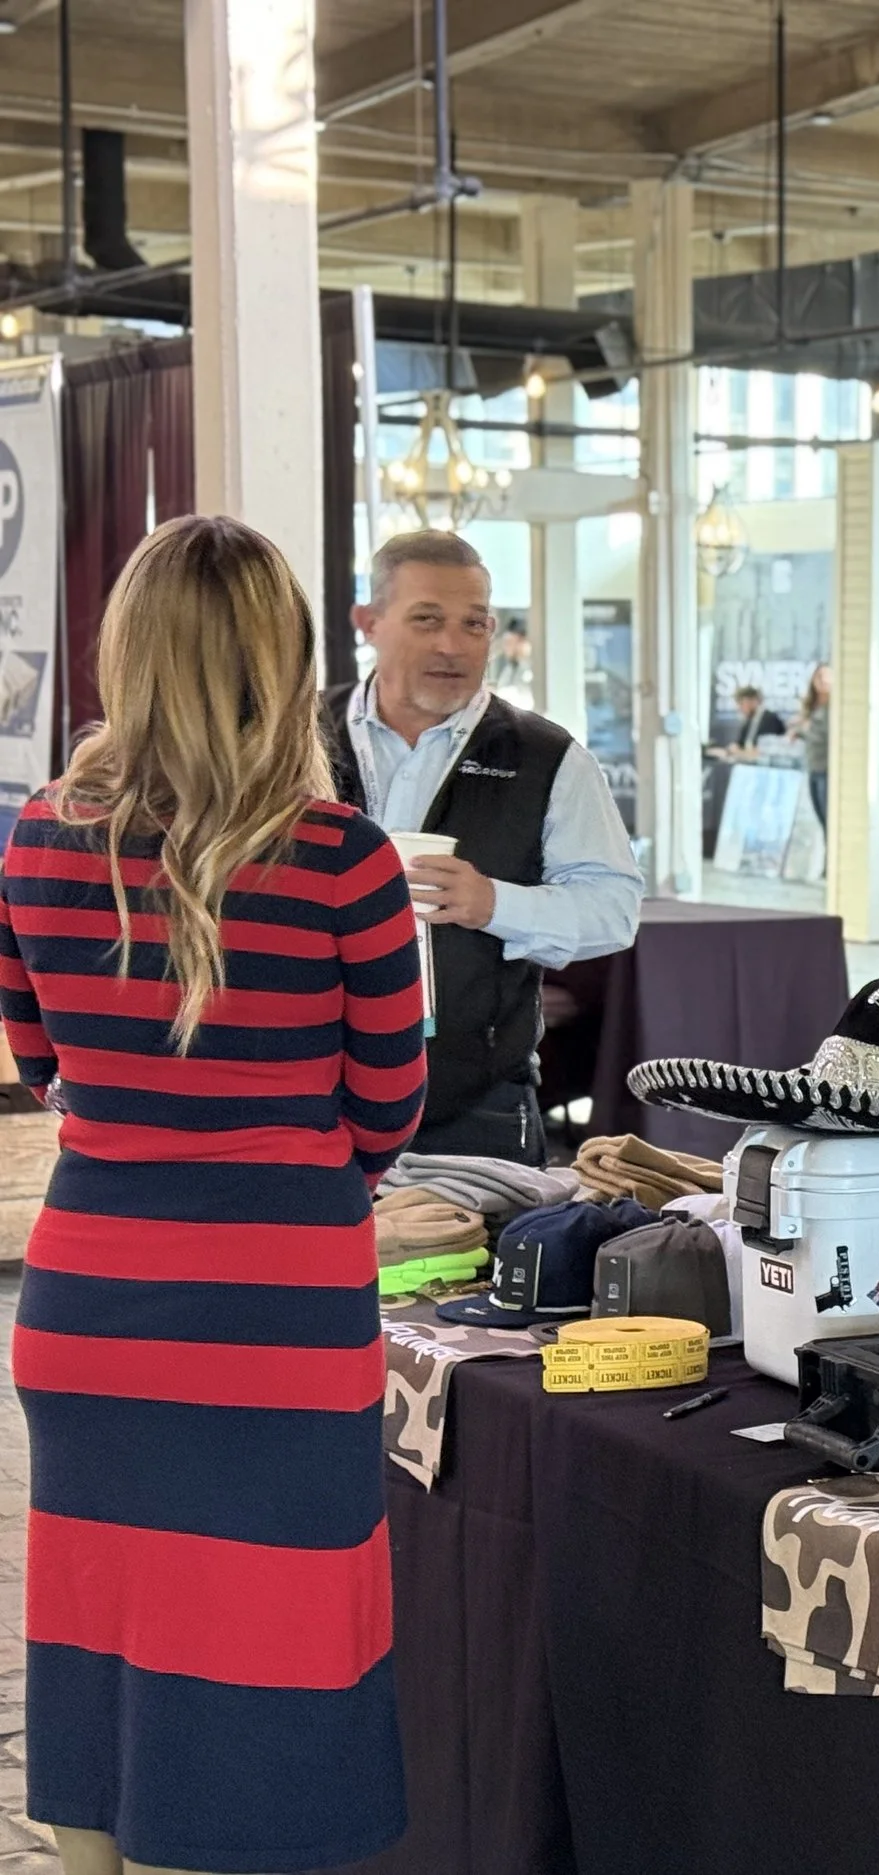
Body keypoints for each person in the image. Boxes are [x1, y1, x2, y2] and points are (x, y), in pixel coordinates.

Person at [1, 516, 427, 1872]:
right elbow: (391, 1100)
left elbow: (40, 1056)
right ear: (282, 659)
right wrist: (295, 1171)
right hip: (281, 1311)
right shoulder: (345, 857)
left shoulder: (36, 841)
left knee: (97, 1627)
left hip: (88, 1297)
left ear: (128, 652)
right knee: (263, 1651)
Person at [324, 529, 642, 1165]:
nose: (452, 644)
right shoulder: (292, 739)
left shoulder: (546, 758)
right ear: (370, 623)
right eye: (426, 620)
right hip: (310, 1094)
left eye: (474, 624)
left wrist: (493, 903)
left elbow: (614, 909)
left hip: (476, 1108)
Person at [794, 661, 833, 827]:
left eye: (827, 676)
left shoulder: (833, 707)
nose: (823, 680)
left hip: (826, 768)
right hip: (813, 766)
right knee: (820, 819)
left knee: (828, 821)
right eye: (819, 676)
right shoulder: (812, 706)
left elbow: (825, 734)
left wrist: (805, 729)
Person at [713, 684, 786, 757]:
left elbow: (764, 751)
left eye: (742, 703)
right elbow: (739, 744)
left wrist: (740, 752)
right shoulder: (748, 721)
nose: (739, 708)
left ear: (754, 701)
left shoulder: (770, 719)